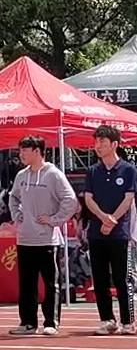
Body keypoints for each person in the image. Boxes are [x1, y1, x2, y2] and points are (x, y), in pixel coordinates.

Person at [7, 135, 78, 335]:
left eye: (25, 150)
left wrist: (54, 219)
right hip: (25, 238)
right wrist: (17, 216)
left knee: (50, 283)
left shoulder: (53, 174)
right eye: (20, 150)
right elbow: (13, 198)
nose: (21, 154)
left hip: (48, 240)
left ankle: (51, 322)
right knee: (27, 283)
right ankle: (28, 322)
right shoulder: (21, 175)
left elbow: (70, 200)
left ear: (37, 151)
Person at [83, 125, 137, 335]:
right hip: (96, 233)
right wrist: (102, 217)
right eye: (96, 142)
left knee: (122, 278)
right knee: (100, 279)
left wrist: (113, 220)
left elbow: (128, 198)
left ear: (114, 144)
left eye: (102, 142)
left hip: (119, 234)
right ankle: (107, 319)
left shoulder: (128, 170)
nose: (98, 146)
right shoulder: (93, 171)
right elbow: (88, 198)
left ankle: (128, 321)